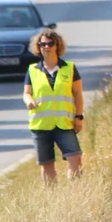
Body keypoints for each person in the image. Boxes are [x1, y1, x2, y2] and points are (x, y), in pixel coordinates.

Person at [22, 28, 84, 185]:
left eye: (50, 44)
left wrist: (79, 116)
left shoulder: (69, 68)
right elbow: (26, 93)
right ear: (38, 47)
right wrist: (29, 100)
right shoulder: (32, 70)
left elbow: (78, 94)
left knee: (75, 158)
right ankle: (53, 197)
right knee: (47, 164)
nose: (46, 47)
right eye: (43, 44)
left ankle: (75, 192)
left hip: (64, 123)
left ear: (57, 45)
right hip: (41, 125)